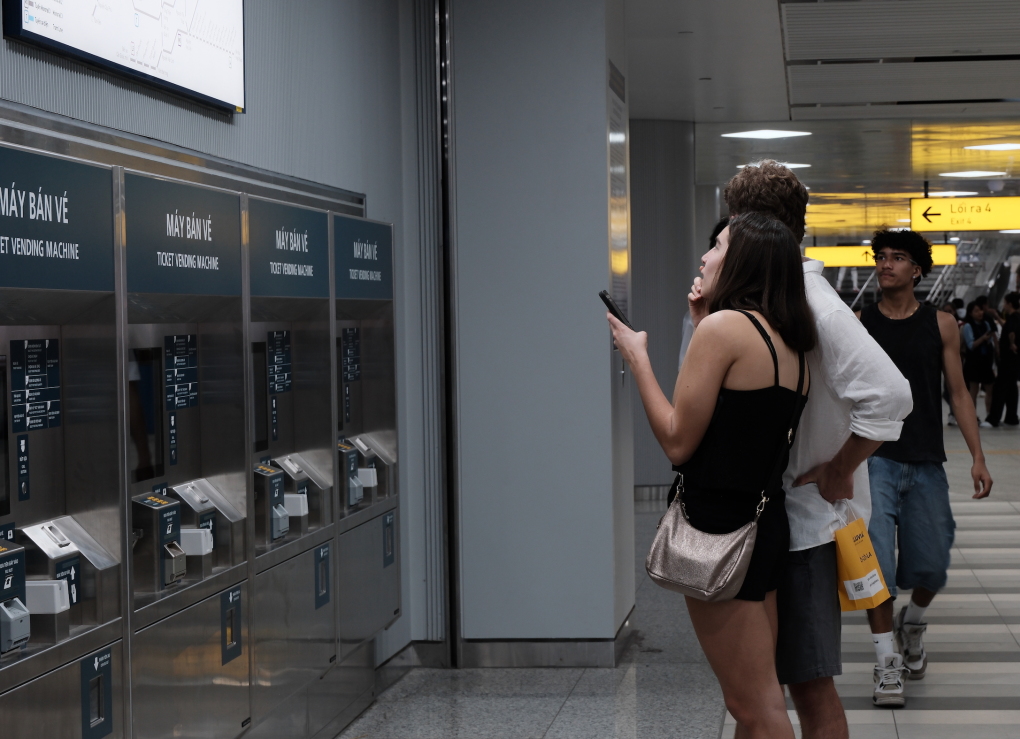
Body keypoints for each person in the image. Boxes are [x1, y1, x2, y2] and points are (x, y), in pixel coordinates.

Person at [682, 161, 912, 739]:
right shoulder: (772, 296)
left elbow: (891, 394)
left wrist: (841, 468)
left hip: (805, 525)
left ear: (752, 228)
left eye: (731, 228)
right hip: (769, 519)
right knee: (759, 695)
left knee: (806, 687)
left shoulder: (814, 301)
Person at [609, 212, 813, 738]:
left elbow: (679, 441)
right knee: (755, 700)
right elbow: (739, 424)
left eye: (718, 246)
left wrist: (638, 357)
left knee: (758, 710)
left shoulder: (726, 329)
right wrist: (703, 323)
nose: (705, 256)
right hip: (761, 526)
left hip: (718, 529)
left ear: (744, 261)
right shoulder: (785, 338)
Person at [858, 230, 993, 707]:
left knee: (932, 567)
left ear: (917, 270)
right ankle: (885, 663)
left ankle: (911, 625)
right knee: (877, 570)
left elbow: (957, 393)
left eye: (897, 258)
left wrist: (977, 456)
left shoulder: (942, 324)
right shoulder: (862, 323)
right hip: (873, 460)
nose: (885, 265)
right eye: (881, 257)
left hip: (927, 462)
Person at [987, 292, 1020, 426]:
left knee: (1000, 389)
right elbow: (1008, 326)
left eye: (1005, 302)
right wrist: (997, 317)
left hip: (1008, 361)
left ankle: (994, 418)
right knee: (1012, 389)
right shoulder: (1016, 317)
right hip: (1014, 361)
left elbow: (1011, 332)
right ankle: (1011, 417)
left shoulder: (1013, 319)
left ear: (1010, 304)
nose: (1003, 305)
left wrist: (1012, 344)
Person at [962, 301, 997, 426]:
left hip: (986, 361)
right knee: (974, 390)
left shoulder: (986, 324)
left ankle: (989, 414)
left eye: (981, 310)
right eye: (976, 311)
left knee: (990, 389)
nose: (980, 313)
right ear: (970, 313)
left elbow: (991, 342)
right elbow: (971, 345)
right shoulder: (967, 326)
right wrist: (983, 338)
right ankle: (973, 416)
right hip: (974, 362)